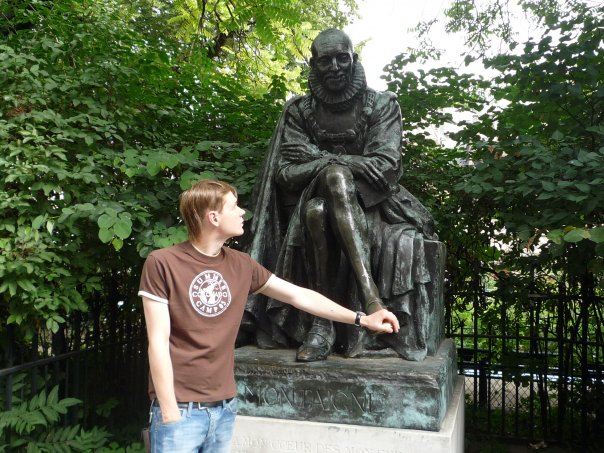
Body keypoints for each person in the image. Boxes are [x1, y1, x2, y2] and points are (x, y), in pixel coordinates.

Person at [138, 179, 400, 453]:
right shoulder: (163, 263)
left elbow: (300, 296)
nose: (242, 212)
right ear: (213, 218)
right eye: (234, 206)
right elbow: (158, 342)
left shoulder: (241, 264)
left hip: (224, 408)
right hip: (181, 411)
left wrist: (362, 318)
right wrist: (169, 411)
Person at [243, 29, 437, 362]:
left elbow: (385, 168)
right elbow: (285, 173)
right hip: (309, 197)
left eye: (342, 58)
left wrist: (318, 158)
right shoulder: (299, 112)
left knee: (319, 210)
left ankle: (323, 325)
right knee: (327, 187)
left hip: (374, 206)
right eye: (325, 60)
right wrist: (349, 162)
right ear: (314, 65)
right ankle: (370, 300)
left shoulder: (381, 105)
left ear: (353, 59)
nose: (334, 67)